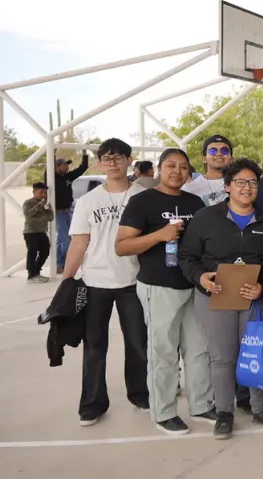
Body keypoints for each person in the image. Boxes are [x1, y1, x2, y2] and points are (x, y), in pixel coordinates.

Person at [115, 148, 215, 435]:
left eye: (184, 167)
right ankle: (164, 411)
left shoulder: (195, 202)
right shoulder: (142, 201)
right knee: (163, 352)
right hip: (159, 287)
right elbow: (121, 246)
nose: (177, 171)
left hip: (193, 287)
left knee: (198, 351)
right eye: (171, 165)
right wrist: (160, 235)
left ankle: (201, 403)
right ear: (159, 168)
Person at [179, 158, 263, 439]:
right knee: (223, 358)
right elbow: (187, 256)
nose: (247, 188)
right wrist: (200, 277)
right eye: (240, 182)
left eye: (253, 183)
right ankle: (225, 412)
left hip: (252, 298)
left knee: (255, 352)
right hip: (216, 297)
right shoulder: (205, 218)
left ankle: (261, 409)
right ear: (227, 187)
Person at [62, 138, 148, 426]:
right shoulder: (87, 201)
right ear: (100, 163)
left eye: (118, 158)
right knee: (95, 346)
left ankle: (140, 393)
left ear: (129, 160)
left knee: (138, 343)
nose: (112, 164)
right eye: (107, 159)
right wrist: (66, 280)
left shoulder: (143, 196)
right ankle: (92, 403)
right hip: (94, 281)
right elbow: (78, 243)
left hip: (133, 282)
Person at [54, 150, 89, 274]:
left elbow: (82, 168)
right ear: (57, 166)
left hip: (67, 210)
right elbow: (49, 169)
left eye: (67, 164)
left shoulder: (67, 177)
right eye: (64, 164)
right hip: (58, 211)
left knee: (61, 240)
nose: (67, 166)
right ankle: (63, 264)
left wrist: (85, 154)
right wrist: (52, 155)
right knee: (67, 240)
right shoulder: (53, 176)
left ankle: (58, 264)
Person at [183, 135, 234, 207]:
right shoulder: (189, 189)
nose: (219, 154)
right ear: (204, 158)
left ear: (232, 159)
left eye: (224, 151)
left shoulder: (243, 185)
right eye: (213, 151)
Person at [23, 182, 54, 283]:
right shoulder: (28, 202)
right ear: (34, 192)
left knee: (45, 251)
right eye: (41, 192)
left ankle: (36, 272)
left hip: (41, 232)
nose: (43, 195)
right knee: (32, 252)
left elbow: (50, 218)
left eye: (44, 193)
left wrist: (49, 210)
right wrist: (39, 205)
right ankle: (31, 275)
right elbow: (27, 214)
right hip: (31, 232)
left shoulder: (44, 204)